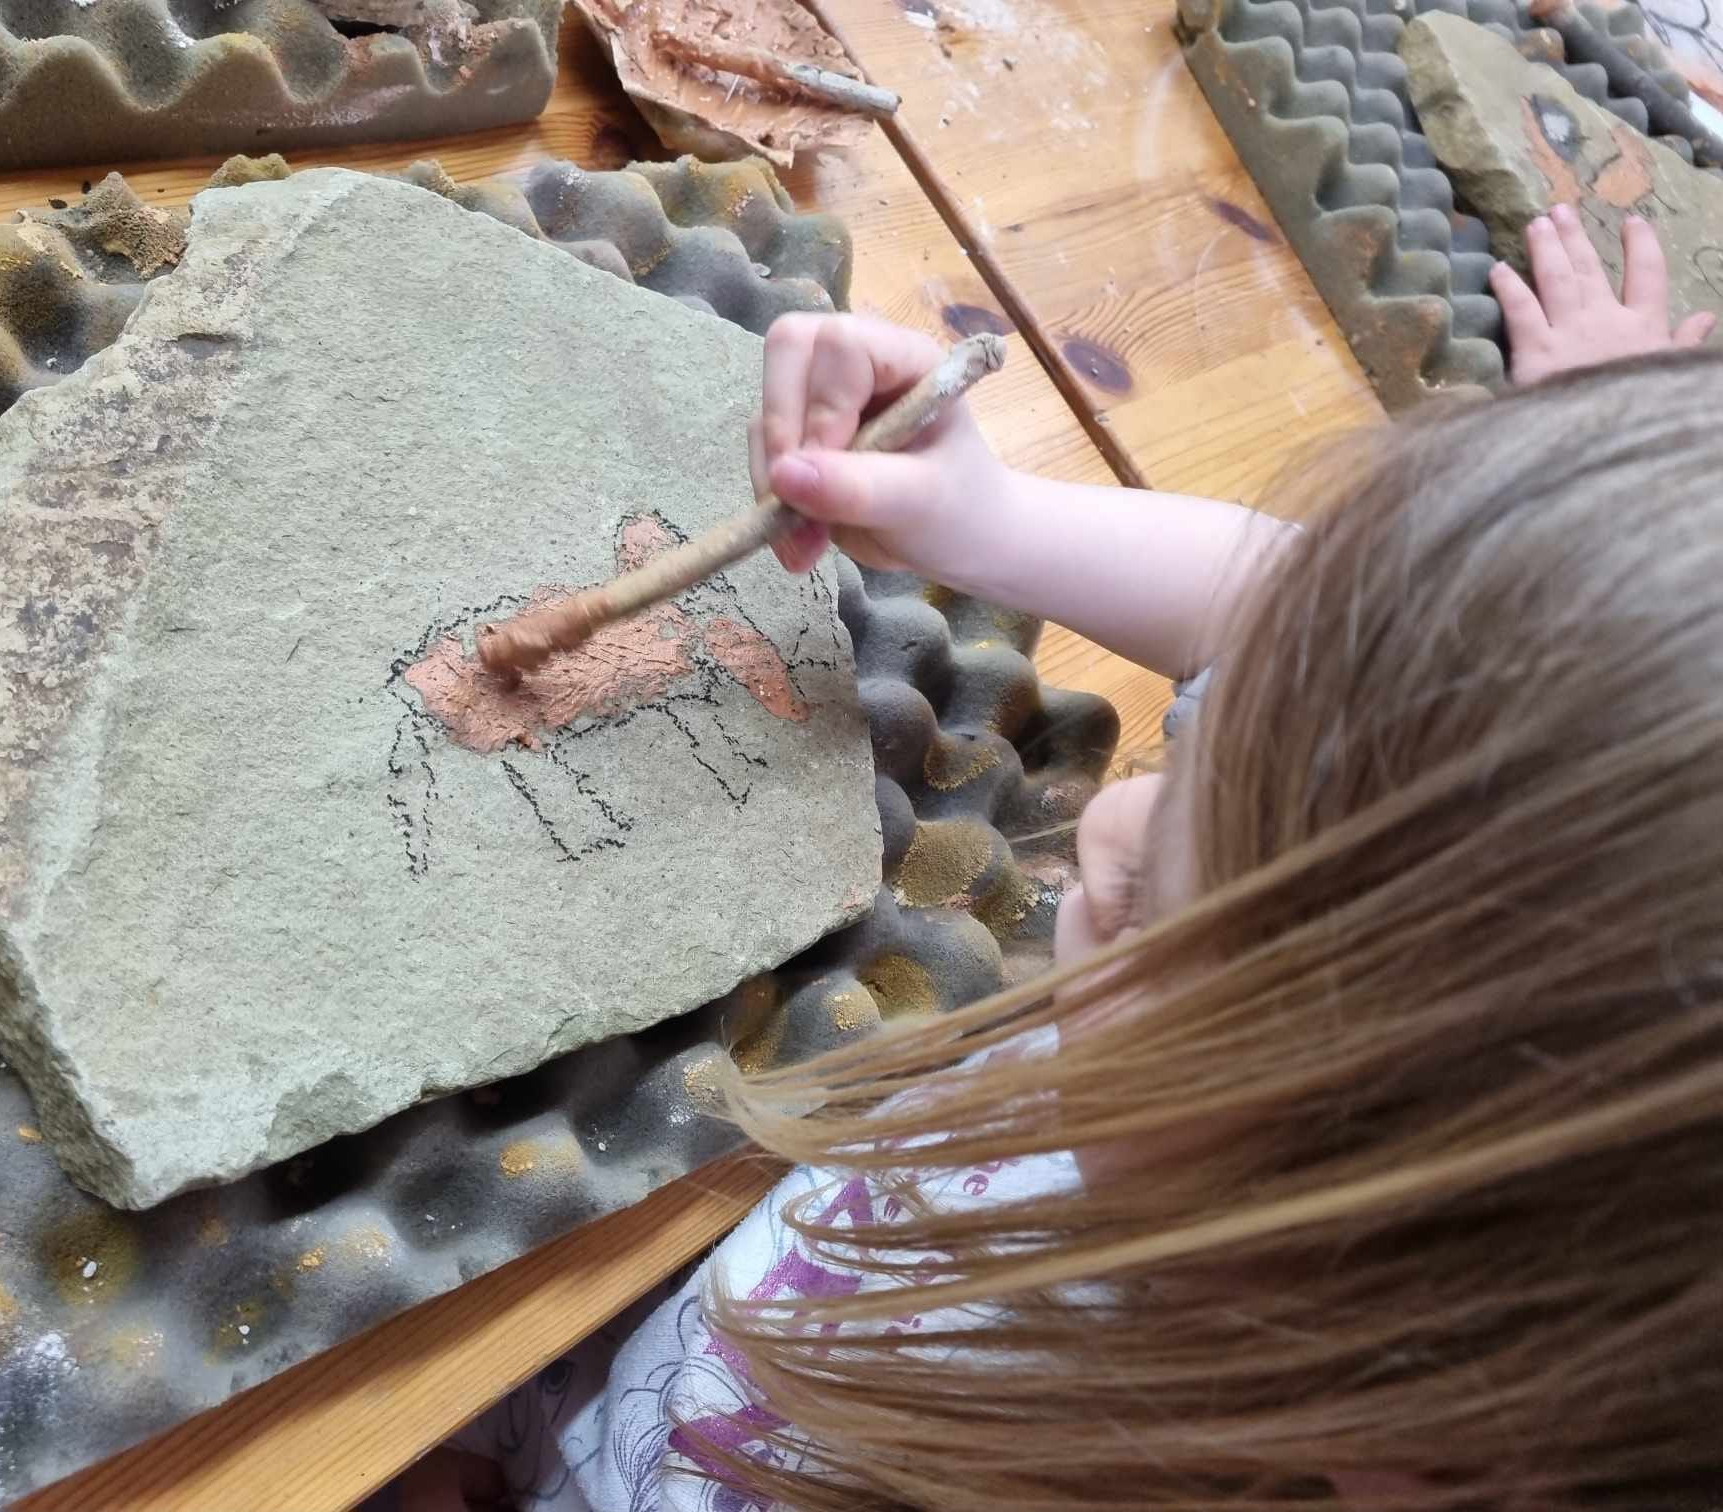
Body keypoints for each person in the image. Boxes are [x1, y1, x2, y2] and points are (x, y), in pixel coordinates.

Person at [399, 210, 1722, 1512]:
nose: (1107, 825)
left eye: (1153, 908)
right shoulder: (1359, 1150)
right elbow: (1274, 607)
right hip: (619, 1355)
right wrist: (992, 522)